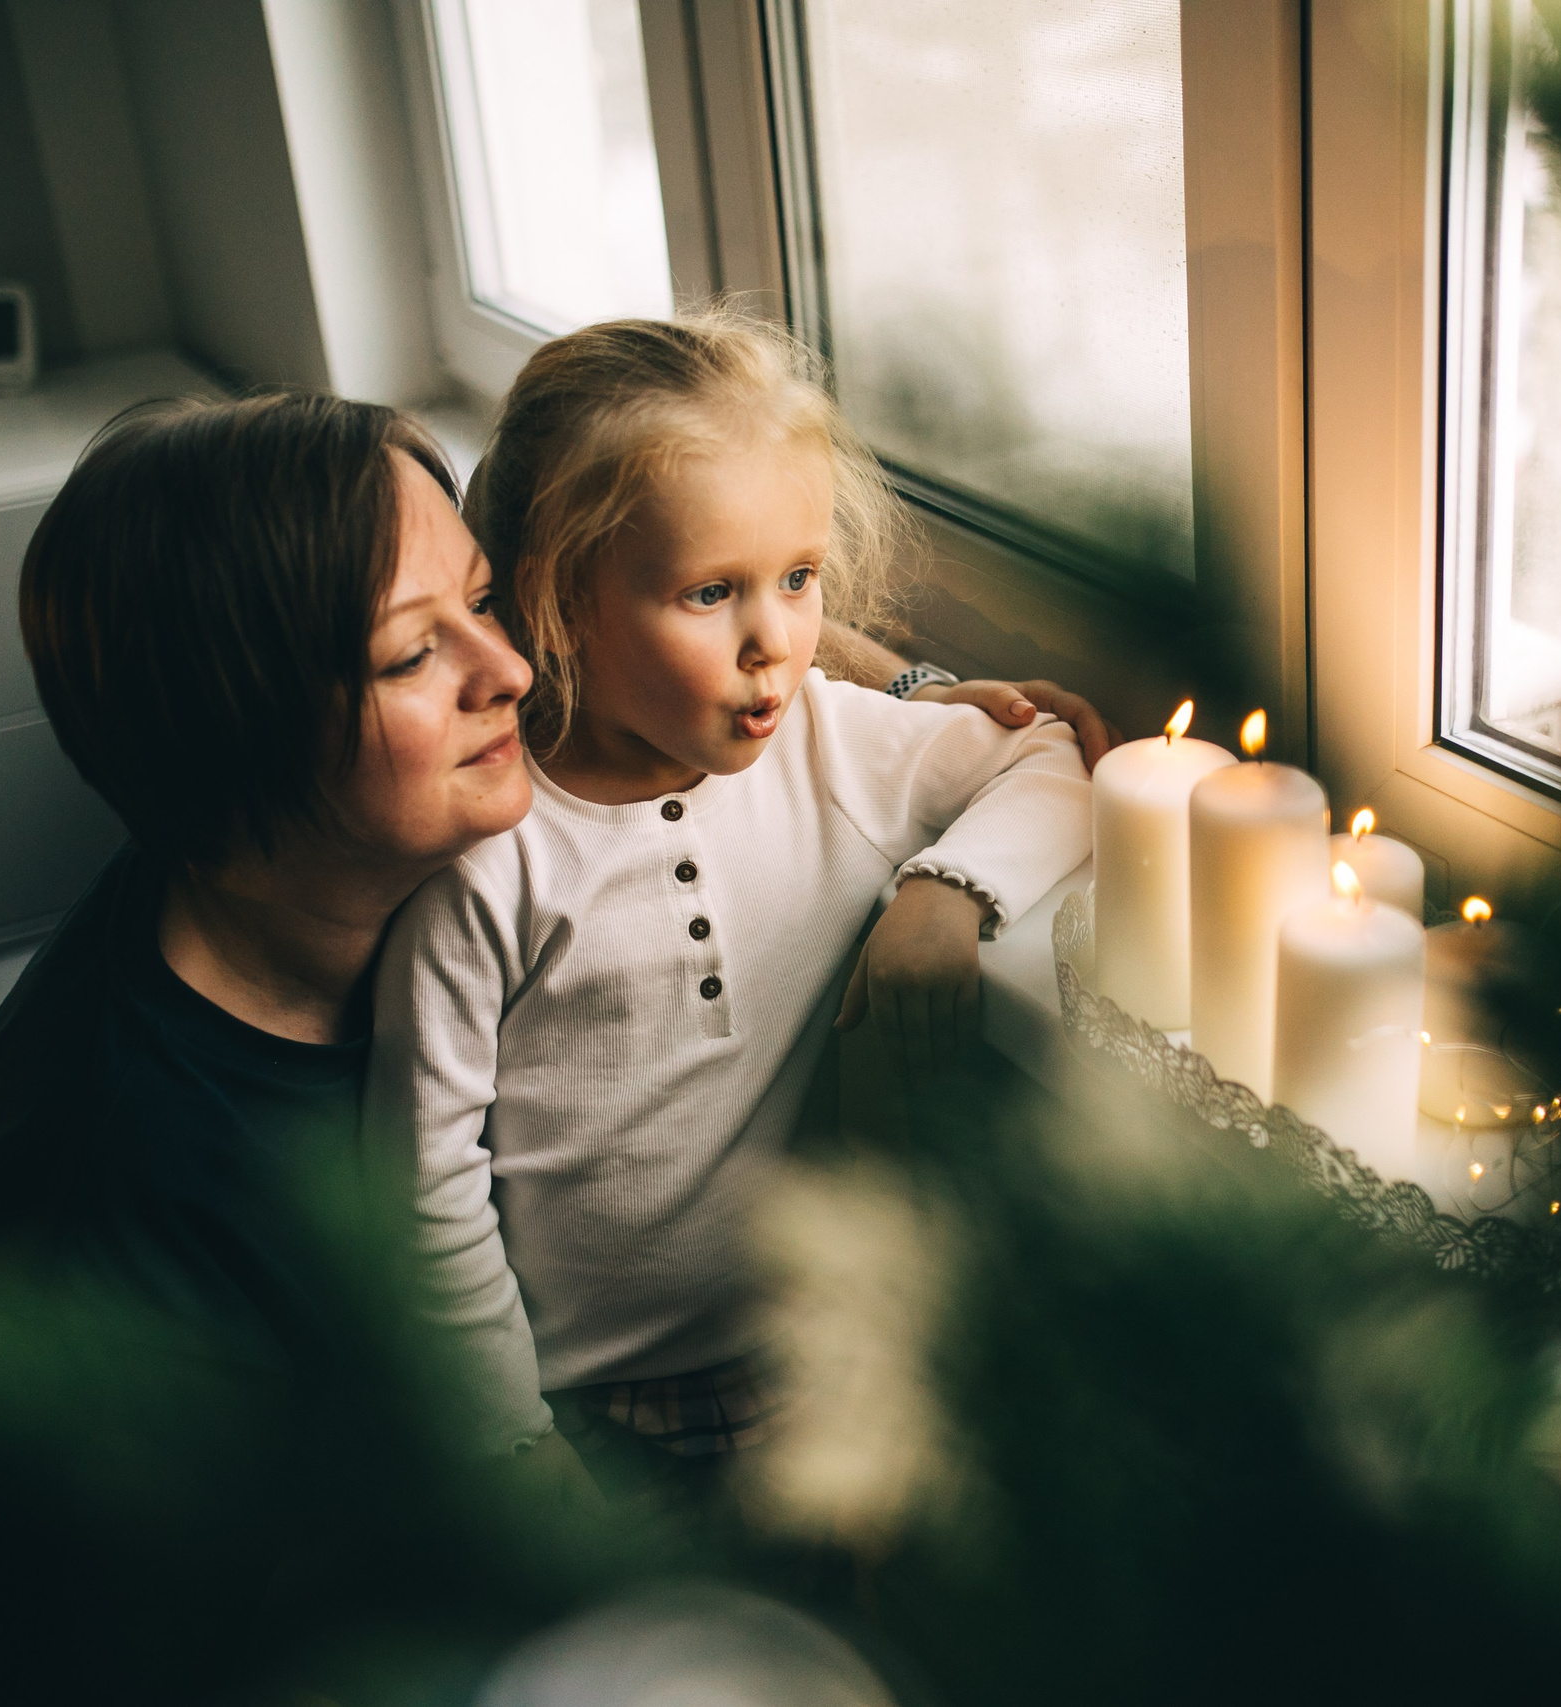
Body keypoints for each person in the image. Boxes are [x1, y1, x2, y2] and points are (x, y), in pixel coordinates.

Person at [0, 386, 1111, 1703]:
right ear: (241, 736)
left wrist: (912, 686)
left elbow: (645, 520)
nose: (514, 669)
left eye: (481, 604)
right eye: (409, 656)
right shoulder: (135, 1199)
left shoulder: (278, 868)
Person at [369, 313, 1094, 1482]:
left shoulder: (828, 743)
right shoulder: (492, 854)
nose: (776, 644)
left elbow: (1053, 755)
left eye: (798, 579)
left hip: (813, 1363)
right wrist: (507, 1443)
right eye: (711, 593)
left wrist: (945, 891)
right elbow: (424, 1185)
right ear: (560, 600)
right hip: (579, 1411)